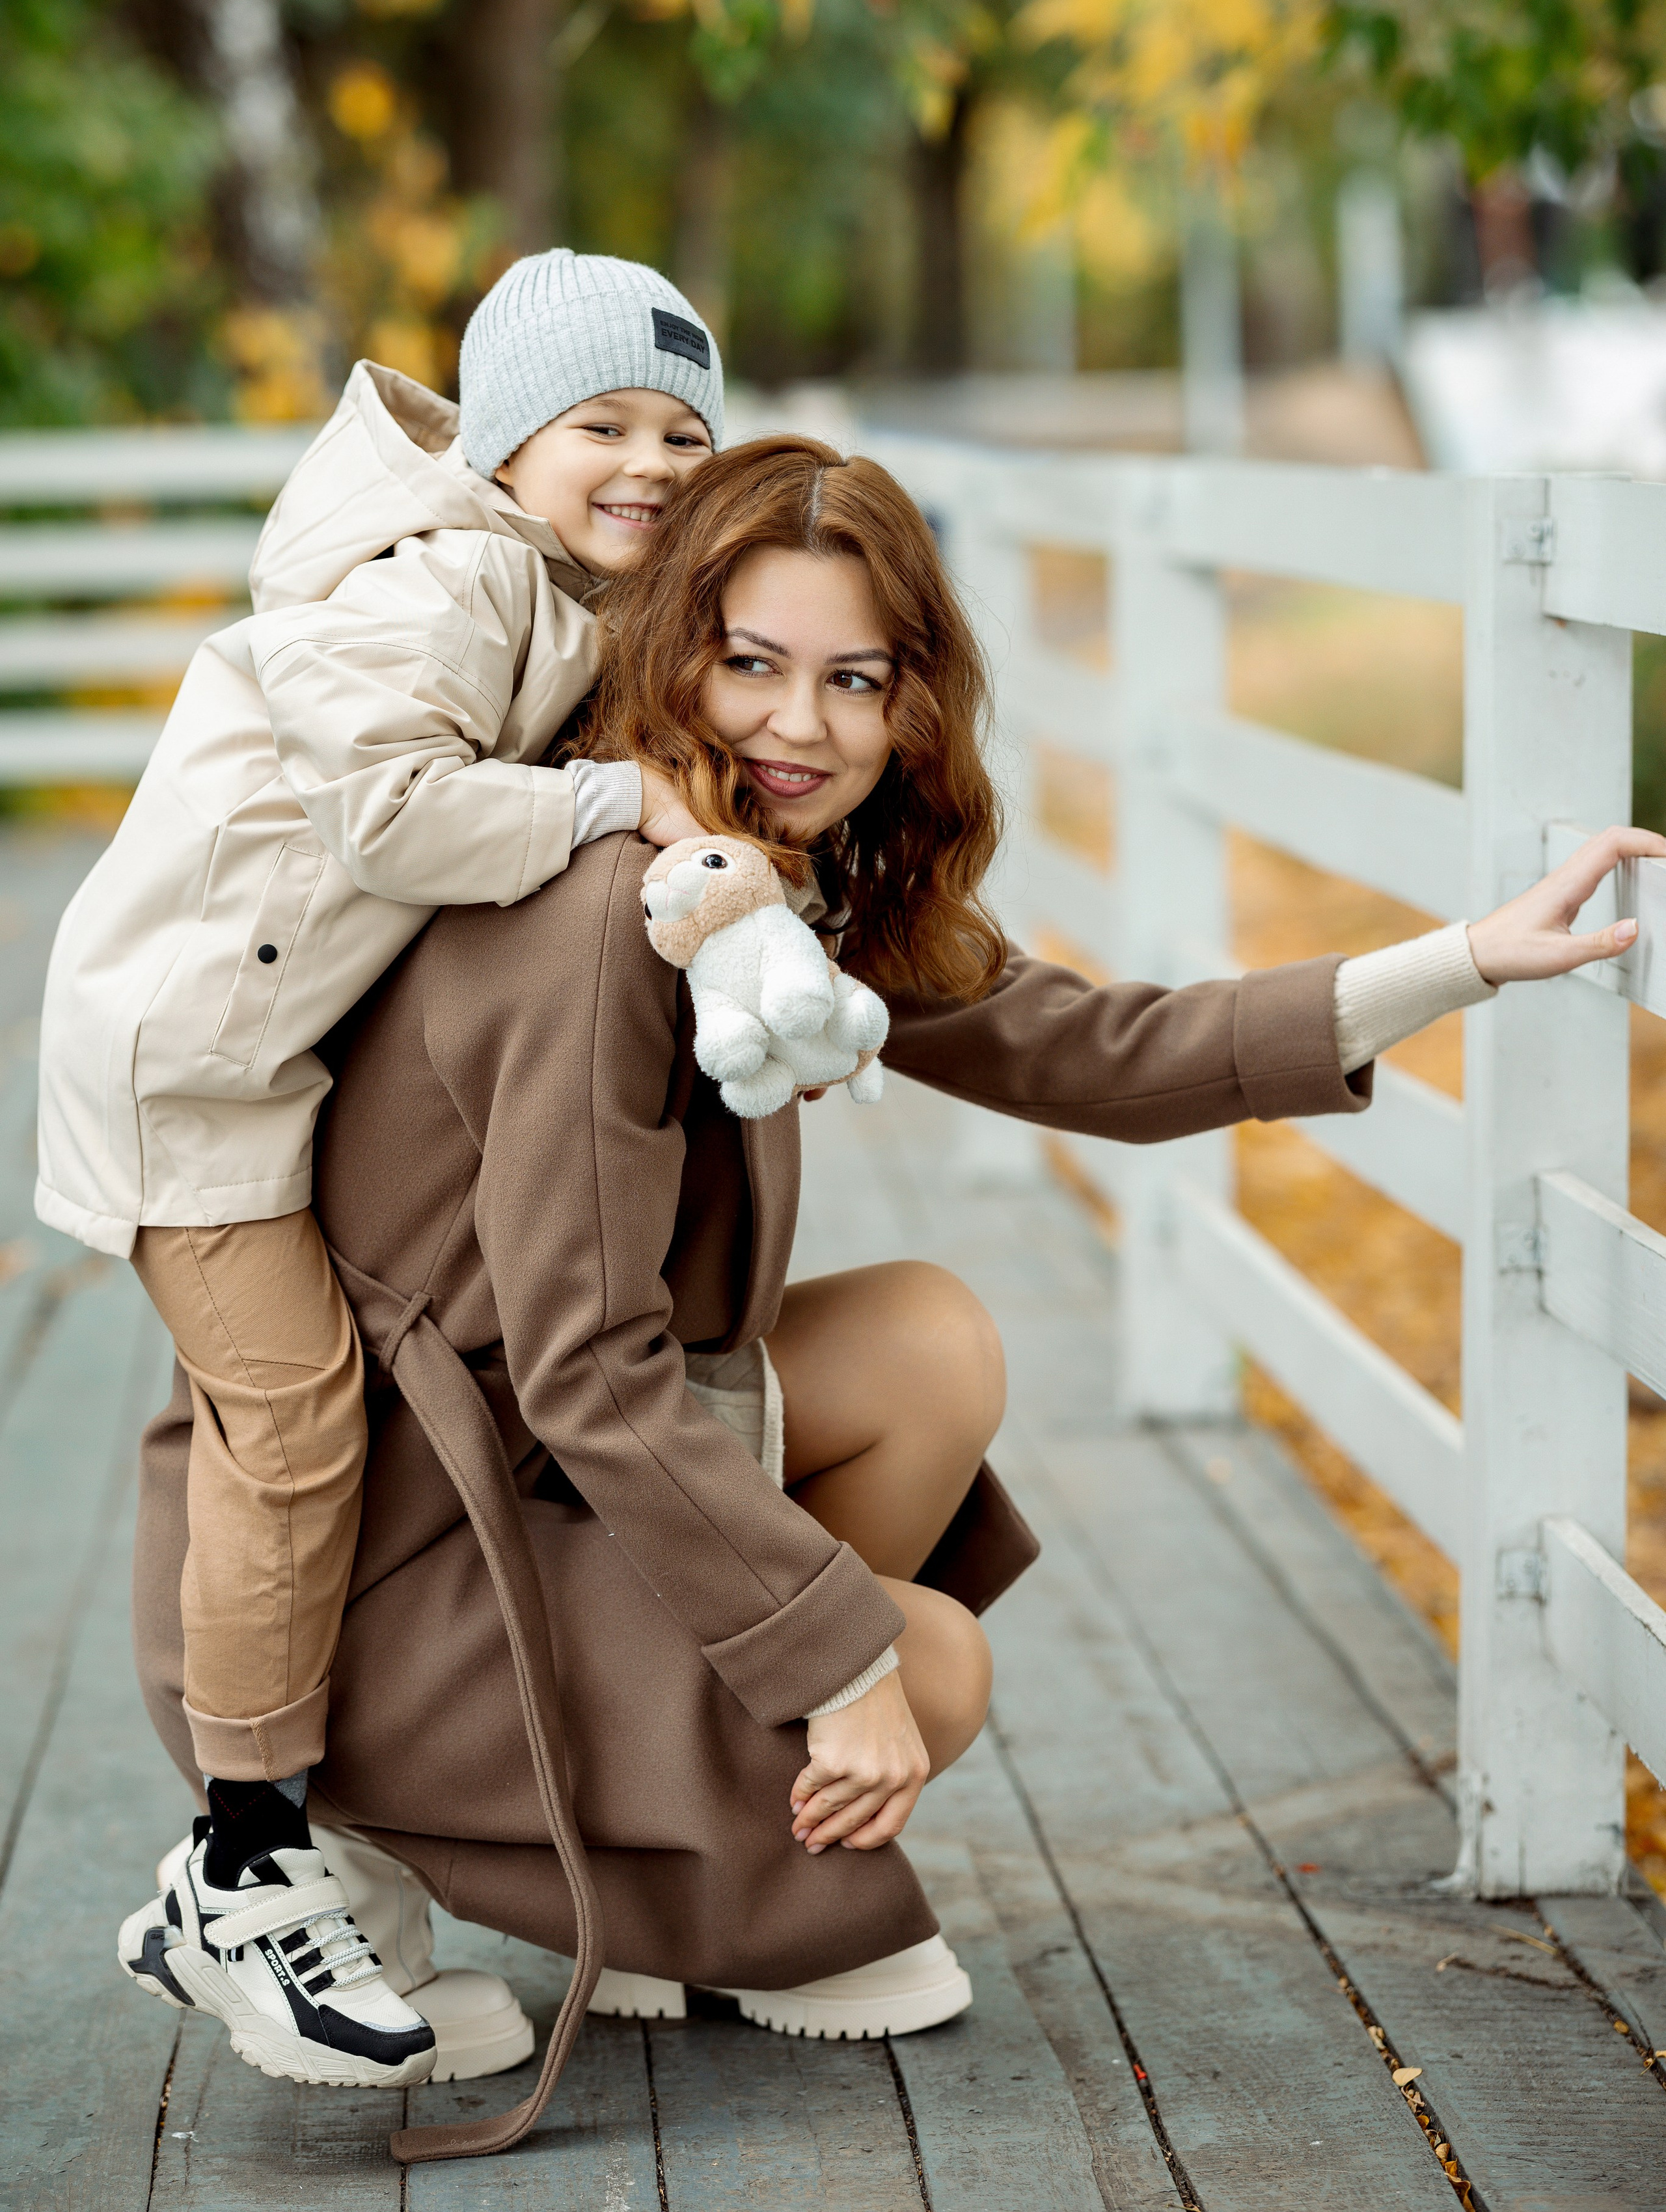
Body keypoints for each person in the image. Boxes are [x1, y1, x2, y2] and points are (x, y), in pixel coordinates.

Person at [125, 435, 1660, 2161]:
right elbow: (591, 1379)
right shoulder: (590, 910)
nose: (801, 727)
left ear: (912, 702)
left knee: (930, 1341)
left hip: (525, 1491)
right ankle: (428, 1842)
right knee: (923, 1665)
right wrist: (837, 1659)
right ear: (664, 652)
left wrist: (1458, 961)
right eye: (751, 665)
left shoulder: (757, 882)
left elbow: (1087, 1046)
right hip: (387, 1583)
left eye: (855, 679)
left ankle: (672, 1848)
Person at [40, 250, 731, 2090]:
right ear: (508, 443)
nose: (650, 459)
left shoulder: (534, 578)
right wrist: (619, 805)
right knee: (292, 1415)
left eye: (683, 428)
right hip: (189, 1064)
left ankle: (317, 1847)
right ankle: (244, 1863)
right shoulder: (432, 584)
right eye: (604, 425)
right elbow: (398, 816)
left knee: (317, 1414)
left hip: (263, 1052)